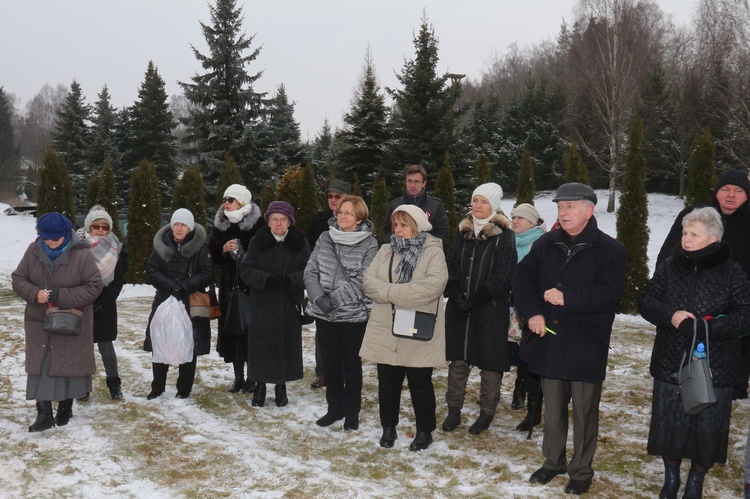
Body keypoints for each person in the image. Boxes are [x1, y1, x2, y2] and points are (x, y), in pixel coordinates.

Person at [511, 183, 627, 495]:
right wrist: (532, 313)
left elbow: (610, 294)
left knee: (585, 413)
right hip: (548, 340)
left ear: (589, 210)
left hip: (586, 344)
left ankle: (581, 469)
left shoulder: (611, 250)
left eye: (571, 207)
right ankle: (553, 462)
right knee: (552, 408)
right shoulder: (546, 244)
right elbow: (521, 279)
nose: (563, 212)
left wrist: (568, 298)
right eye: (560, 206)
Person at [638, 207, 750, 499]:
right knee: (669, 424)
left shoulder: (732, 271)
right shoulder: (669, 267)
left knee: (708, 428)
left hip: (717, 364)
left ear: (712, 238)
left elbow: (747, 314)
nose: (685, 239)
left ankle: (696, 480)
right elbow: (646, 301)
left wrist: (708, 328)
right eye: (684, 232)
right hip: (670, 361)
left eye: (693, 234)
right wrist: (671, 315)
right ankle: (671, 477)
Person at [360, 205, 448, 451]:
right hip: (385, 326)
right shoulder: (385, 249)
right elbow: (368, 281)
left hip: (418, 327)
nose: (397, 230)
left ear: (417, 226)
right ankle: (389, 428)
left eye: (404, 225)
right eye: (395, 225)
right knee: (387, 382)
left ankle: (424, 431)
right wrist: (395, 293)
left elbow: (432, 286)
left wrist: (389, 292)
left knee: (420, 384)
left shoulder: (432, 251)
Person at [656, 169, 750, 400]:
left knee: (724, 386)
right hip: (688, 313)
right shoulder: (694, 216)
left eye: (738, 191)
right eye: (725, 189)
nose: (731, 195)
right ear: (715, 192)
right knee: (680, 382)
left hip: (735, 319)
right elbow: (668, 257)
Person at [11, 212, 103, 431]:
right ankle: (43, 413)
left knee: (67, 363)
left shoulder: (81, 254)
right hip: (39, 319)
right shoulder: (33, 251)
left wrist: (58, 296)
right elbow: (18, 279)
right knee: (40, 364)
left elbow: (94, 287)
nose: (50, 242)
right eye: (46, 238)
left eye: (55, 238)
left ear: (65, 236)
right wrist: (35, 293)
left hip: (71, 318)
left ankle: (65, 407)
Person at [442, 183, 517, 435]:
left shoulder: (504, 235)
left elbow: (504, 274)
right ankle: (453, 409)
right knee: (459, 359)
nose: (477, 206)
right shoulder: (462, 230)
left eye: (483, 201)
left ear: (493, 205)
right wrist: (456, 295)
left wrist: (476, 299)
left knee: (489, 362)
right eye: (475, 200)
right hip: (460, 307)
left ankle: (486, 413)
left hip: (489, 308)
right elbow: (450, 264)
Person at [304, 195, 378, 431]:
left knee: (351, 366)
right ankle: (334, 408)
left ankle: (351, 411)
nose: (342, 215)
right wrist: (318, 298)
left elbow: (363, 282)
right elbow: (310, 270)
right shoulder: (325, 237)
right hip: (324, 315)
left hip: (352, 316)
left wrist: (332, 300)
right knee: (331, 364)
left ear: (359, 219)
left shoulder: (370, 244)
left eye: (348, 213)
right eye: (341, 212)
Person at [240, 201, 310, 407]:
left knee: (285, 346)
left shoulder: (300, 242)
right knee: (261, 347)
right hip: (263, 303)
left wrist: (290, 280)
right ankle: (259, 386)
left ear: (289, 222)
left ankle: (281, 387)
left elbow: (310, 270)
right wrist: (266, 280)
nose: (279, 223)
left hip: (289, 303)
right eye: (274, 219)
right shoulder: (257, 241)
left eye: (283, 219)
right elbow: (246, 270)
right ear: (268, 222)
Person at [144, 208, 213, 400]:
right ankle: (157, 387)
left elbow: (207, 273)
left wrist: (184, 285)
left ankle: (184, 389)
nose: (179, 228)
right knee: (161, 342)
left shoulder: (200, 247)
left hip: (189, 301)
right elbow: (151, 269)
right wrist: (170, 285)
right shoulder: (162, 244)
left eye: (183, 224)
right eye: (176, 224)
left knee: (188, 344)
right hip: (164, 300)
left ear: (190, 227)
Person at [209, 184, 264, 394]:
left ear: (241, 201)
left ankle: (253, 377)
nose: (226, 204)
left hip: (251, 286)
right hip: (229, 285)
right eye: (224, 200)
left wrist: (244, 252)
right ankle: (238, 377)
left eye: (230, 200)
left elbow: (264, 252)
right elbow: (211, 254)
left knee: (250, 330)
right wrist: (222, 250)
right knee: (232, 330)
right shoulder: (220, 224)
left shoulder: (258, 223)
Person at [306, 179, 352, 389]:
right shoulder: (319, 220)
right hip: (323, 283)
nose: (333, 200)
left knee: (345, 330)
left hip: (348, 286)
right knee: (322, 330)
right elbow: (310, 253)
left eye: (338, 196)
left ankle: (343, 371)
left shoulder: (356, 220)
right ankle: (322, 372)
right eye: (330, 196)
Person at [507, 203, 546, 431]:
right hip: (509, 306)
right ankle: (518, 387)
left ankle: (526, 394)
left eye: (521, 218)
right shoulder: (507, 241)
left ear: (532, 222)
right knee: (512, 350)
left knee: (528, 353)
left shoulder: (540, 243)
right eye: (514, 217)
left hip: (531, 308)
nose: (515, 221)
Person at [81, 205, 126, 400]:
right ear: (89, 228)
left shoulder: (117, 248)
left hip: (105, 307)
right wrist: (84, 300)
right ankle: (82, 387)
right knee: (83, 348)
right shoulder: (78, 248)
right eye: (96, 226)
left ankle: (114, 385)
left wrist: (103, 304)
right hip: (82, 304)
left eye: (104, 227)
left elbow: (118, 281)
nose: (100, 230)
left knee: (106, 346)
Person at [382, 164, 450, 245]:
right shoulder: (395, 205)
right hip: (399, 252)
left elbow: (443, 234)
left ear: (424, 183)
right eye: (409, 181)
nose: (412, 185)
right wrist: (398, 243)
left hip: (427, 253)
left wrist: (426, 245)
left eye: (417, 181)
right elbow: (386, 232)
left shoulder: (435, 205)